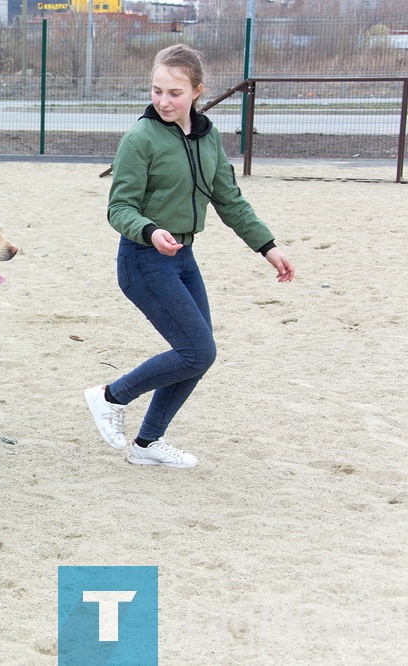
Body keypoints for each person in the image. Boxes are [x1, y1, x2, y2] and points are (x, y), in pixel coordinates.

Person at [85, 43, 296, 469]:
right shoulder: (139, 139)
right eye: (157, 90)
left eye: (174, 92)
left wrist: (268, 248)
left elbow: (230, 200)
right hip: (144, 259)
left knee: (197, 354)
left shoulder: (208, 136)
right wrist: (149, 230)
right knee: (196, 351)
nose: (163, 100)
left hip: (183, 257)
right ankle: (109, 396)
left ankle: (147, 445)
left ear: (197, 91)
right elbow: (118, 208)